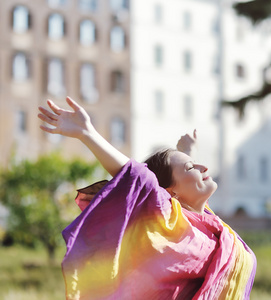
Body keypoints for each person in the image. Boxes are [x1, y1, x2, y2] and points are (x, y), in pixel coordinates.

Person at [38, 97, 256, 300]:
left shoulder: (209, 223)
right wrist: (88, 133)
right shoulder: (169, 219)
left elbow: (183, 188)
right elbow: (137, 177)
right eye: (191, 167)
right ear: (170, 192)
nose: (204, 167)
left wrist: (186, 153)